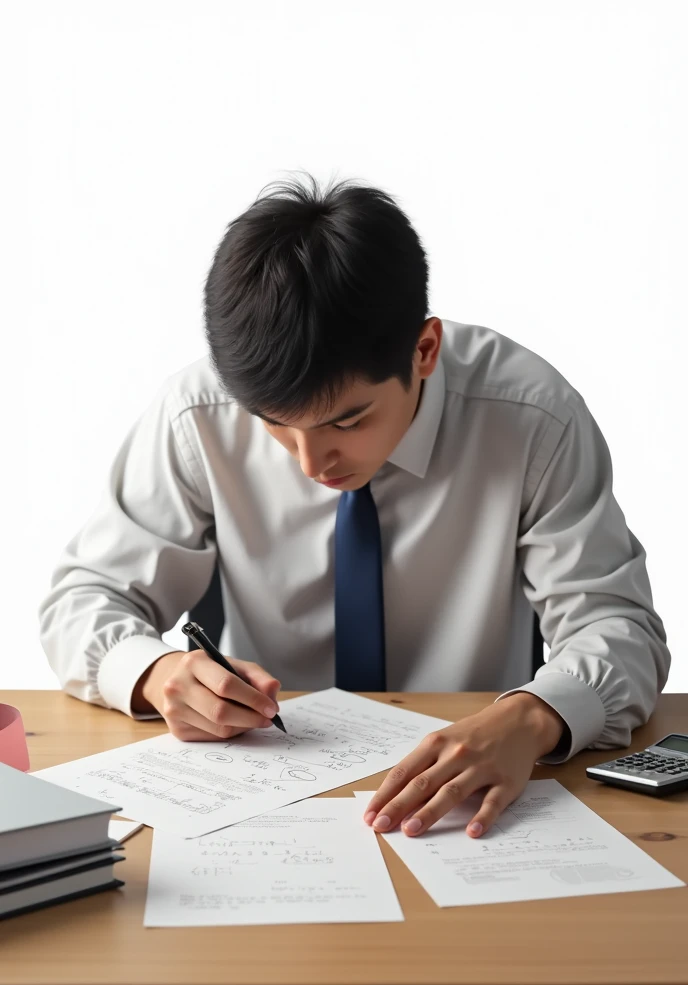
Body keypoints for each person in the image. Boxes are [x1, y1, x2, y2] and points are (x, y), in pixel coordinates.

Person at [38, 173, 670, 841]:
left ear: (424, 350)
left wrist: (533, 717)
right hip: (258, 796)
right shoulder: (198, 415)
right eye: (275, 425)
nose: (311, 464)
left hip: (470, 800)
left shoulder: (533, 419)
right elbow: (85, 599)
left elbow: (619, 628)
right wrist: (157, 671)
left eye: (347, 421)